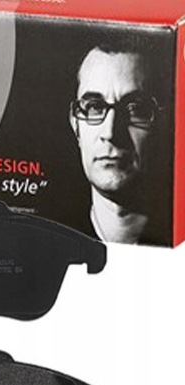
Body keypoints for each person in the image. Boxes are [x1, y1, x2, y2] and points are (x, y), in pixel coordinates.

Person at [69, 41, 165, 244]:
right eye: (94, 107)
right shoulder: (47, 240)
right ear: (75, 124)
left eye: (135, 109)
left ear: (163, 122)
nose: (111, 133)